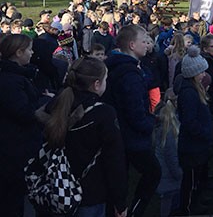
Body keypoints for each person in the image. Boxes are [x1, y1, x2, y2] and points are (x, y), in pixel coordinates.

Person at [35, 56, 128, 217]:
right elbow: (114, 161)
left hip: (54, 188)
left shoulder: (55, 104)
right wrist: (120, 201)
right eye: (105, 79)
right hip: (89, 194)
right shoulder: (103, 113)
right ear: (96, 84)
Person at [103, 25, 161, 217]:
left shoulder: (121, 67)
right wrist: (150, 124)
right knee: (153, 172)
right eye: (143, 41)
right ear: (132, 44)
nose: (147, 45)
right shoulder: (129, 74)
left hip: (120, 134)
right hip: (132, 137)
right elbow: (135, 109)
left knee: (121, 179)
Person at [0, 34, 49, 216]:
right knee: (13, 200)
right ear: (18, 52)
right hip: (14, 148)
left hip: (20, 145)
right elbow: (23, 112)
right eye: (29, 49)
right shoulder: (10, 81)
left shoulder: (20, 75)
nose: (32, 53)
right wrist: (46, 104)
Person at [174, 45, 213, 215]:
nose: (204, 75)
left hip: (197, 145)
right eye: (201, 72)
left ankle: (195, 202)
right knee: (189, 182)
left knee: (195, 179)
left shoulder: (195, 90)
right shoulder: (189, 93)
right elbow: (190, 121)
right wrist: (203, 132)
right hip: (191, 146)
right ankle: (187, 209)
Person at [153, 92, 182, 217]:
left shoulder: (159, 127)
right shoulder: (169, 132)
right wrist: (180, 175)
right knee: (168, 206)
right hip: (169, 178)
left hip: (164, 176)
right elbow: (172, 158)